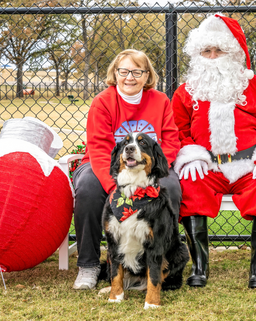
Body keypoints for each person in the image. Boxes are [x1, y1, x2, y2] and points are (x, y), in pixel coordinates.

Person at [171, 14, 256, 289]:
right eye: (206, 51)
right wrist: (190, 155)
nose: (212, 56)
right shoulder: (185, 92)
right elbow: (177, 130)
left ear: (233, 52)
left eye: (219, 50)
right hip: (207, 167)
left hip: (249, 164)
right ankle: (200, 264)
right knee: (189, 186)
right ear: (198, 54)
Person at [72, 49, 181, 290]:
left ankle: (158, 260)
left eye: (136, 72)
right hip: (107, 168)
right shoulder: (103, 102)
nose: (129, 77)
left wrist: (154, 173)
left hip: (148, 170)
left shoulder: (161, 100)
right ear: (115, 73)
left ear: (147, 75)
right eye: (124, 71)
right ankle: (89, 265)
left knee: (171, 186)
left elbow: (171, 142)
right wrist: (118, 189)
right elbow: (99, 149)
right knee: (89, 188)